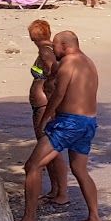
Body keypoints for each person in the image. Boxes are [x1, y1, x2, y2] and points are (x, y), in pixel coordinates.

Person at [16, 31, 102, 221]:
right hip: (89, 121)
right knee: (80, 169)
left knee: (33, 166)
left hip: (69, 123)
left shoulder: (68, 63)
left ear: (64, 45)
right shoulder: (88, 62)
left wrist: (46, 117)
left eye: (55, 46)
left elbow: (58, 94)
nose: (53, 50)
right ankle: (95, 217)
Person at [26, 20, 69, 206]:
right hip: (44, 104)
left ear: (31, 36)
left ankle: (61, 192)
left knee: (50, 149)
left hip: (44, 106)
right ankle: (55, 190)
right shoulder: (49, 49)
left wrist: (51, 95)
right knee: (49, 149)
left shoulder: (45, 51)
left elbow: (55, 72)